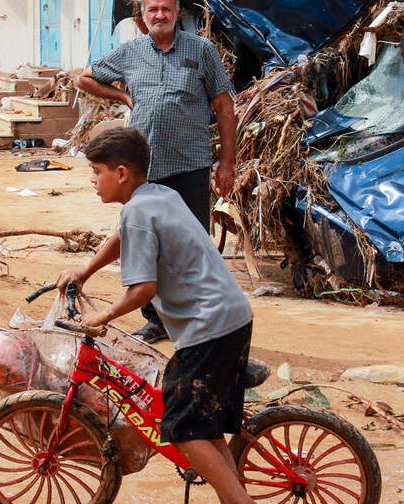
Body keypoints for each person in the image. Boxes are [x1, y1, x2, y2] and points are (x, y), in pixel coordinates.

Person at [59, 127, 255, 504]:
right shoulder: (159, 195)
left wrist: (103, 316)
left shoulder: (137, 211)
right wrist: (84, 271)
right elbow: (121, 238)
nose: (93, 181)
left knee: (182, 428)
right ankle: (235, 493)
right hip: (230, 315)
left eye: (96, 172)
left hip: (207, 326)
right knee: (204, 425)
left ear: (120, 173)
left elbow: (143, 290)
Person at [75, 0, 237, 343]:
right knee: (144, 243)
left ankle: (199, 319)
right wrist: (122, 96)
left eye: (166, 9)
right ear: (142, 16)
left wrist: (227, 163)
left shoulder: (202, 49)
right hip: (144, 170)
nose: (160, 15)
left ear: (177, 13)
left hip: (190, 163)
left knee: (190, 244)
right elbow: (85, 79)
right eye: (153, 10)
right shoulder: (130, 52)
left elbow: (224, 106)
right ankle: (156, 320)